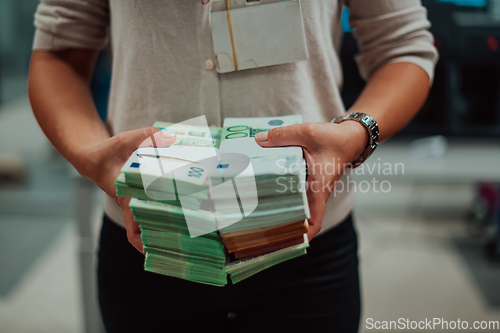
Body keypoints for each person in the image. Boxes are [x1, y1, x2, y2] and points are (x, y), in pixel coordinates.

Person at [28, 0, 438, 332]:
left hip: (303, 239)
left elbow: (403, 47)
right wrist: (91, 155)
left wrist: (354, 135)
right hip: (152, 233)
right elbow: (58, 53)